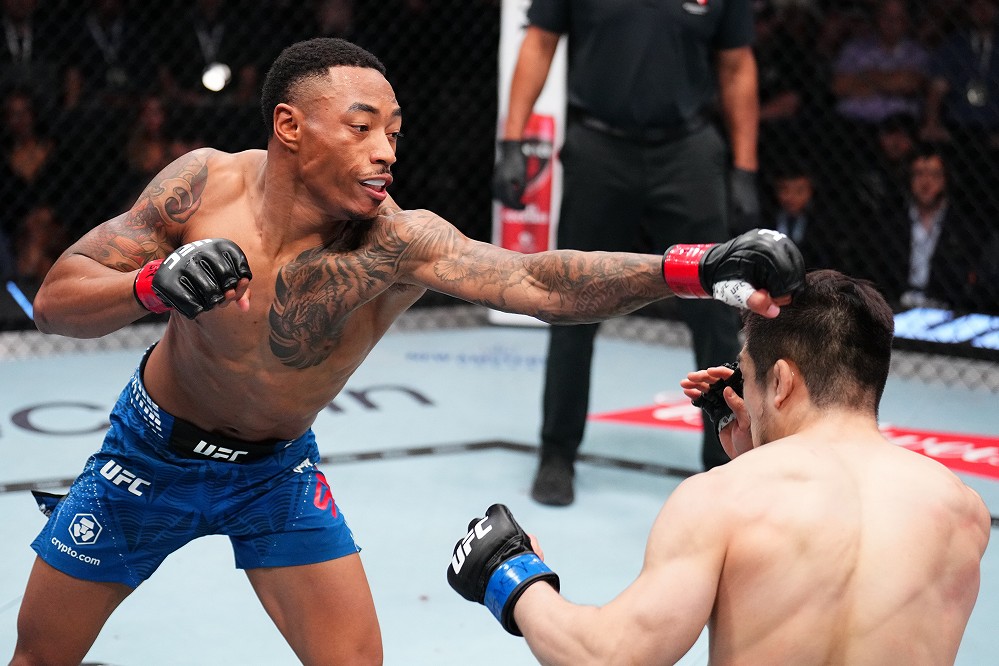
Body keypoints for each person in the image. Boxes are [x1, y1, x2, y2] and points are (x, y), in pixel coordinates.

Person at [12, 37, 805, 665]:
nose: (386, 151)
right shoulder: (201, 186)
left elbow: (536, 281)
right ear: (290, 126)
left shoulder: (397, 242)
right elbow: (54, 301)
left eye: (393, 132)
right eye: (361, 128)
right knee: (42, 656)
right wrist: (153, 285)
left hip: (272, 473)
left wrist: (692, 268)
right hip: (149, 456)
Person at [447, 269, 992, 665]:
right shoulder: (961, 512)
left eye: (747, 378)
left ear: (781, 381)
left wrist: (512, 575)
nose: (744, 396)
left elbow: (606, 656)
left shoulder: (723, 499)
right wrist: (759, 456)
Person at [493, 0, 761, 506]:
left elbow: (736, 63)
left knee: (714, 311)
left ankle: (723, 462)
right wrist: (512, 140)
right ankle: (557, 451)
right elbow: (540, 41)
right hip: (599, 148)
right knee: (572, 301)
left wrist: (745, 167)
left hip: (687, 150)